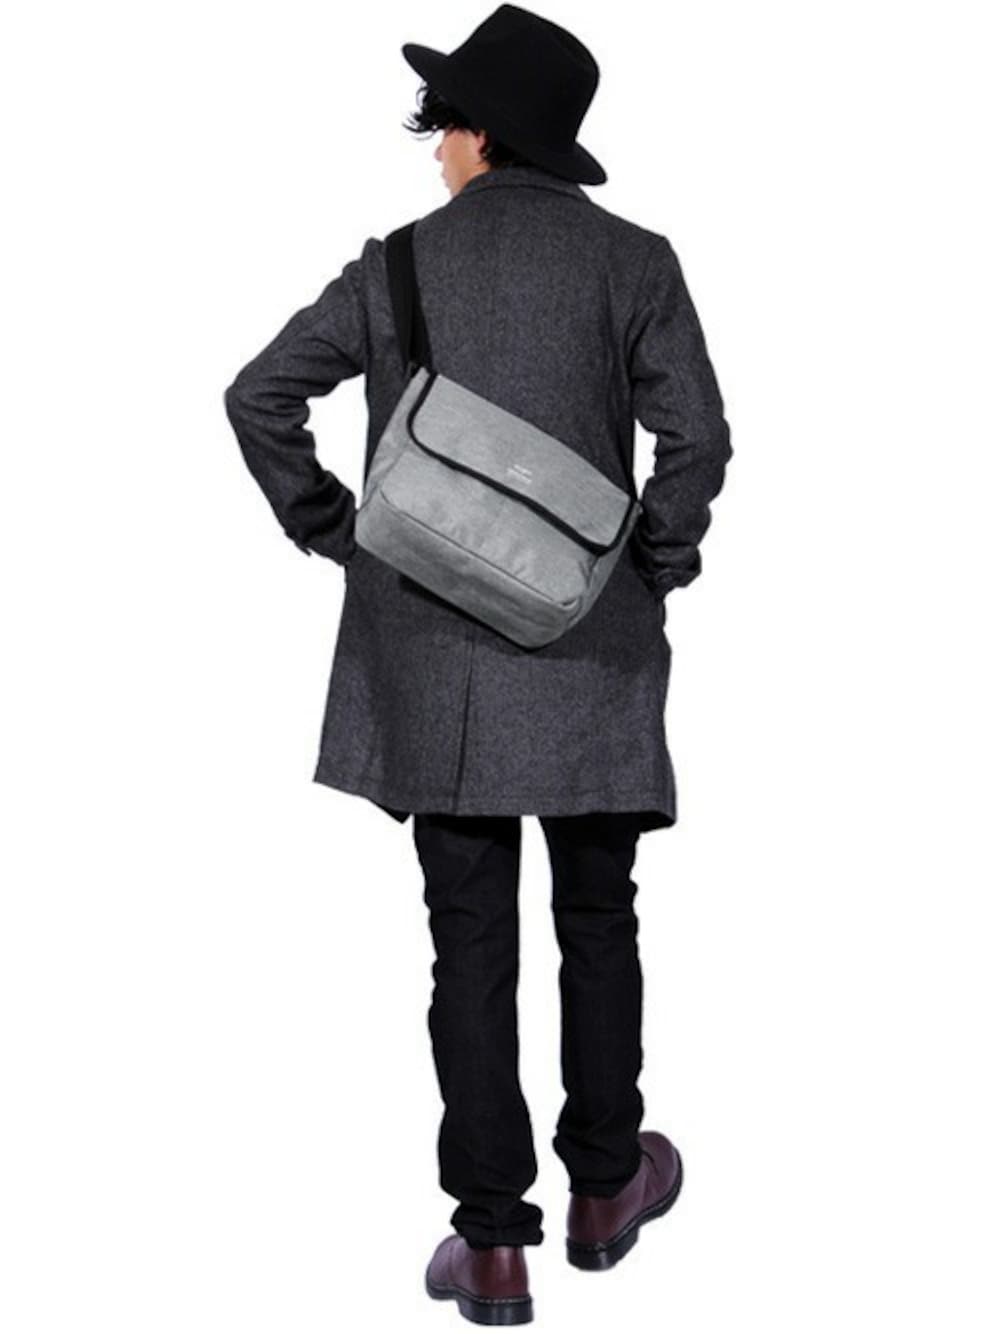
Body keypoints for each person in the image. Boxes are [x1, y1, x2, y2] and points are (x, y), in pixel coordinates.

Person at [224, 4, 732, 1324]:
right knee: (599, 918)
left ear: (480, 132)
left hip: (434, 657)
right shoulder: (636, 261)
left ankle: (494, 1242)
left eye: (444, 125)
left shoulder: (396, 265)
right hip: (591, 653)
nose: (437, 149)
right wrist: (651, 564)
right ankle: (608, 1187)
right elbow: (699, 440)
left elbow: (258, 395)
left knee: (470, 945)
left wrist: (337, 532)